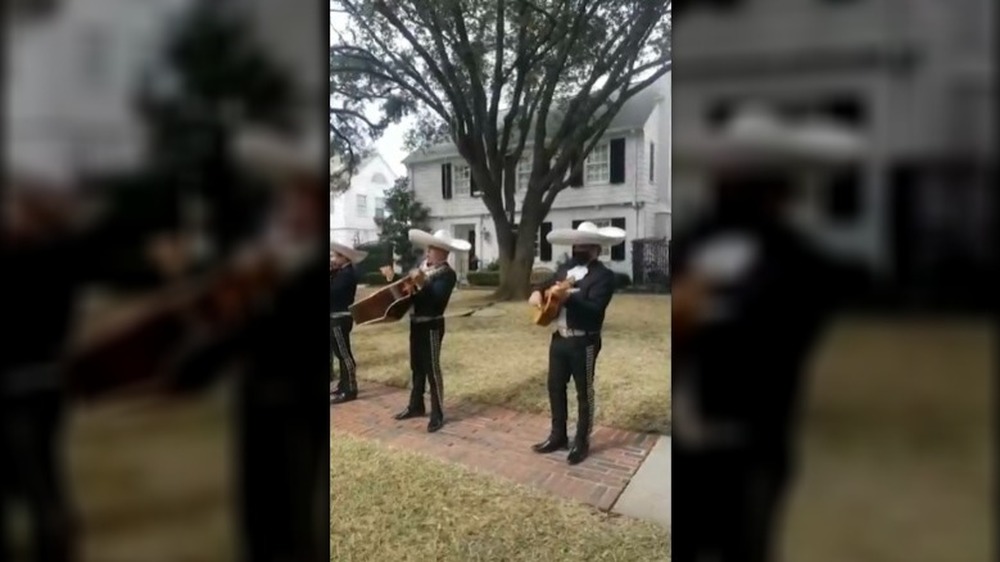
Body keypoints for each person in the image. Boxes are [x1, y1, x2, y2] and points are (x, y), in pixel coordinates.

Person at [670, 106, 870, 562]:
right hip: (684, 447)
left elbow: (780, 348)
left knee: (744, 547)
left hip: (746, 450)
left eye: (747, 175)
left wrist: (705, 320)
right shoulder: (691, 243)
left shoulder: (800, 264)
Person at [1, 172, 188, 562]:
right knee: (36, 479)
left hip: (28, 383)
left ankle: (54, 545)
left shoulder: (41, 254)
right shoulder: (56, 251)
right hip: (43, 381)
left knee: (38, 483)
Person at [527, 222, 625, 465]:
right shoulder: (565, 268)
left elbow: (595, 309)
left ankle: (582, 441)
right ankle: (558, 435)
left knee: (584, 393)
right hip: (559, 337)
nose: (578, 249)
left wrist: (568, 298)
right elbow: (547, 283)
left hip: (585, 340)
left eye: (584, 245)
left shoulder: (604, 276)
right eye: (576, 244)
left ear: (596, 248)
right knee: (555, 387)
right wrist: (538, 292)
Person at [392, 229, 469, 433]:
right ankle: (416, 405)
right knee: (416, 365)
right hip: (415, 323)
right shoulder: (422, 269)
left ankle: (437, 413)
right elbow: (407, 294)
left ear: (444, 253)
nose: (428, 253)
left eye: (432, 250)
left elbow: (435, 300)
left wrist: (420, 283)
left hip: (431, 325)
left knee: (432, 369)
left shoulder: (447, 274)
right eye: (428, 249)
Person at [329, 241, 367, 404]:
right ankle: (343, 384)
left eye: (337, 256)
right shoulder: (339, 273)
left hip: (341, 317)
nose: (333, 259)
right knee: (339, 353)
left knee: (344, 354)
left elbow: (333, 292)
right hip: (335, 316)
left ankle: (350, 388)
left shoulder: (347, 274)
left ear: (345, 258)